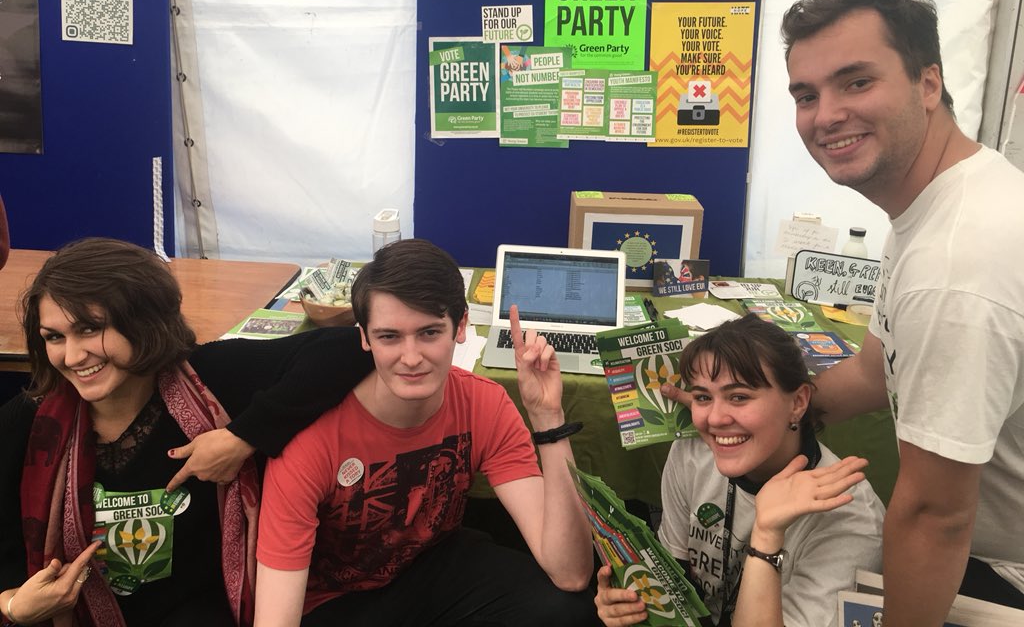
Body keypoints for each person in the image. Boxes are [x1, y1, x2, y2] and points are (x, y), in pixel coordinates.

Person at [780, 0, 1024, 621]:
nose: (825, 114)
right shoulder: (941, 201)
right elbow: (869, 370)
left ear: (928, 83)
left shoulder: (956, 263)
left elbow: (935, 517)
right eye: (806, 94)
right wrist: (772, 405)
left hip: (1002, 574)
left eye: (856, 82)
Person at [0, 238, 375, 627]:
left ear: (143, 320)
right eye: (54, 337)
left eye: (91, 329)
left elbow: (349, 348)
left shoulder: (210, 381)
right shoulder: (29, 425)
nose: (74, 356)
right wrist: (11, 606)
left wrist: (242, 437)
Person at [253, 238, 597, 627]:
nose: (412, 357)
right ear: (364, 337)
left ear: (461, 326)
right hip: (336, 601)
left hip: (432, 567)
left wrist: (548, 417)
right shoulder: (311, 441)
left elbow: (570, 573)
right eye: (389, 336)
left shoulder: (483, 404)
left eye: (430, 333)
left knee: (571, 610)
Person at [596, 314, 884, 627]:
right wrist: (634, 605)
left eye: (739, 397)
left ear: (798, 402)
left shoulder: (850, 520)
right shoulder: (693, 452)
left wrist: (767, 535)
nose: (715, 419)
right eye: (704, 397)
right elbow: (674, 578)